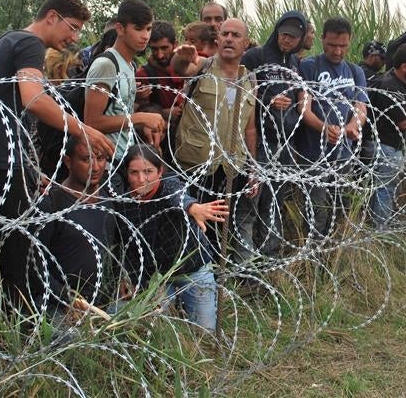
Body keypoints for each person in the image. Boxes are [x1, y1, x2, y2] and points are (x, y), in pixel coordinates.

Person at [0, 0, 114, 310]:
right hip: (1, 164)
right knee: (17, 257)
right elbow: (31, 97)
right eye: (71, 27)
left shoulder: (8, 40)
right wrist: (83, 128)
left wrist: (31, 169)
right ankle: (22, 335)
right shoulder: (30, 44)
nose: (74, 38)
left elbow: (12, 110)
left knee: (3, 249)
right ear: (51, 17)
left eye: (79, 32)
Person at [173, 18, 260, 264]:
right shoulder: (201, 66)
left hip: (230, 167)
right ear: (218, 39)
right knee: (191, 226)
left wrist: (253, 167)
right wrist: (183, 56)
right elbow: (180, 67)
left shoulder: (250, 79)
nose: (229, 38)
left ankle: (214, 278)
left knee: (220, 228)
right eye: (225, 34)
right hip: (197, 164)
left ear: (245, 44)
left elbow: (250, 129)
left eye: (236, 35)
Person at [119, 144, 228, 332]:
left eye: (148, 171)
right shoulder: (124, 203)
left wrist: (192, 208)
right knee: (157, 330)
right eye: (134, 173)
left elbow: (177, 195)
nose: (141, 179)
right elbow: (128, 247)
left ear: (160, 171)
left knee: (205, 332)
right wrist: (129, 278)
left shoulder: (169, 184)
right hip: (157, 277)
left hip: (192, 269)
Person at [241, 11, 307, 256]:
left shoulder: (294, 63)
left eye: (292, 37)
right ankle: (245, 260)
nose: (286, 40)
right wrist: (268, 100)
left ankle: (270, 253)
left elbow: (299, 96)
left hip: (284, 142)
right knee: (252, 200)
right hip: (260, 138)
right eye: (283, 34)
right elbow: (241, 92)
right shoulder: (255, 57)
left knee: (275, 200)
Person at [297, 16, 368, 239]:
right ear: (322, 39)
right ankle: (312, 255)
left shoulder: (356, 72)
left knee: (341, 209)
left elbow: (361, 108)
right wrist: (324, 128)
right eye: (332, 45)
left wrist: (351, 126)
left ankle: (334, 254)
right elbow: (304, 108)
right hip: (314, 155)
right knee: (316, 210)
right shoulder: (309, 66)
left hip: (344, 156)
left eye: (343, 46)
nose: (337, 51)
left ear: (350, 42)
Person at [32, 135, 118, 320]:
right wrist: (65, 298)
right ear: (68, 162)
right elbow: (35, 262)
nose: (95, 167)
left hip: (103, 305)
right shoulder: (52, 204)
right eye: (86, 159)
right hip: (62, 307)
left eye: (101, 159)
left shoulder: (109, 197)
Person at [84, 0, 165, 165]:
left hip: (123, 156)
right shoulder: (107, 65)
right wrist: (140, 118)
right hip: (105, 162)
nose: (145, 36)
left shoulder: (130, 64)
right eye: (138, 29)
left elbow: (116, 110)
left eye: (148, 29)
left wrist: (137, 99)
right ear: (120, 29)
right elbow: (91, 122)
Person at [367, 44, 406, 228]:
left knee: (384, 189)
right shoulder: (390, 86)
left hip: (392, 146)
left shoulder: (402, 82)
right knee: (385, 190)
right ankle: (381, 231)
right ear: (403, 67)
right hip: (385, 146)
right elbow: (403, 122)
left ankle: (376, 227)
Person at [135, 20, 185, 121]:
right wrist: (163, 113)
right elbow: (137, 112)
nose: (160, 55)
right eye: (155, 49)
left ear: (175, 44)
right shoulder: (144, 75)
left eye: (164, 48)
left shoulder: (188, 69)